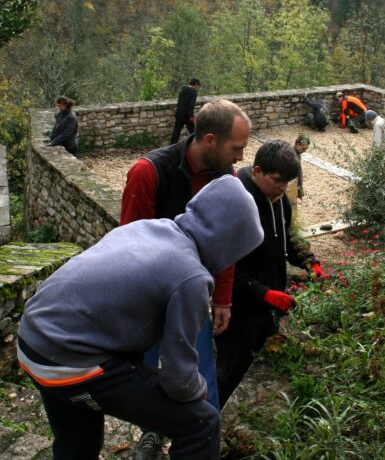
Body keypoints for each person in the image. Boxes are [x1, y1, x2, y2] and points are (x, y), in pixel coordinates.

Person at [18, 176, 264, 460]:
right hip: (68, 361)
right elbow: (178, 380)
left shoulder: (147, 228)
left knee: (78, 441)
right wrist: (201, 389)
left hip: (32, 338)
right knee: (201, 423)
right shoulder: (192, 277)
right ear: (229, 240)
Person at [121, 99, 251, 459]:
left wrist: (222, 297)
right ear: (210, 140)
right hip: (147, 299)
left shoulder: (227, 179)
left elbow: (226, 242)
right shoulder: (148, 172)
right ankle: (151, 432)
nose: (242, 158)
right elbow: (128, 247)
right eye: (236, 148)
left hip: (195, 297)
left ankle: (198, 439)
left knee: (199, 371)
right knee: (146, 370)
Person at [215, 140, 324, 409]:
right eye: (277, 181)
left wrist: (309, 261)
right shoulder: (237, 203)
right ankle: (209, 420)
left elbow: (283, 240)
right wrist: (263, 294)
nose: (283, 188)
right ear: (257, 170)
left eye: (287, 182)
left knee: (257, 365)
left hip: (267, 306)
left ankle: (239, 416)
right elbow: (224, 267)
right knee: (229, 370)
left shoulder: (278, 200)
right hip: (238, 311)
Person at [170, 78, 201, 144]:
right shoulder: (193, 92)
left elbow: (180, 102)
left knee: (176, 132)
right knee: (193, 132)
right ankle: (196, 144)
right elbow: (191, 105)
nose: (197, 88)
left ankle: (171, 146)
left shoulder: (183, 89)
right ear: (195, 84)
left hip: (179, 114)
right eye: (198, 86)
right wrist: (191, 116)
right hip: (187, 116)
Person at [286, 134, 309, 212]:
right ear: (297, 144)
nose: (304, 151)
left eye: (306, 149)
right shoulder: (291, 155)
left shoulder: (297, 154)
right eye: (303, 148)